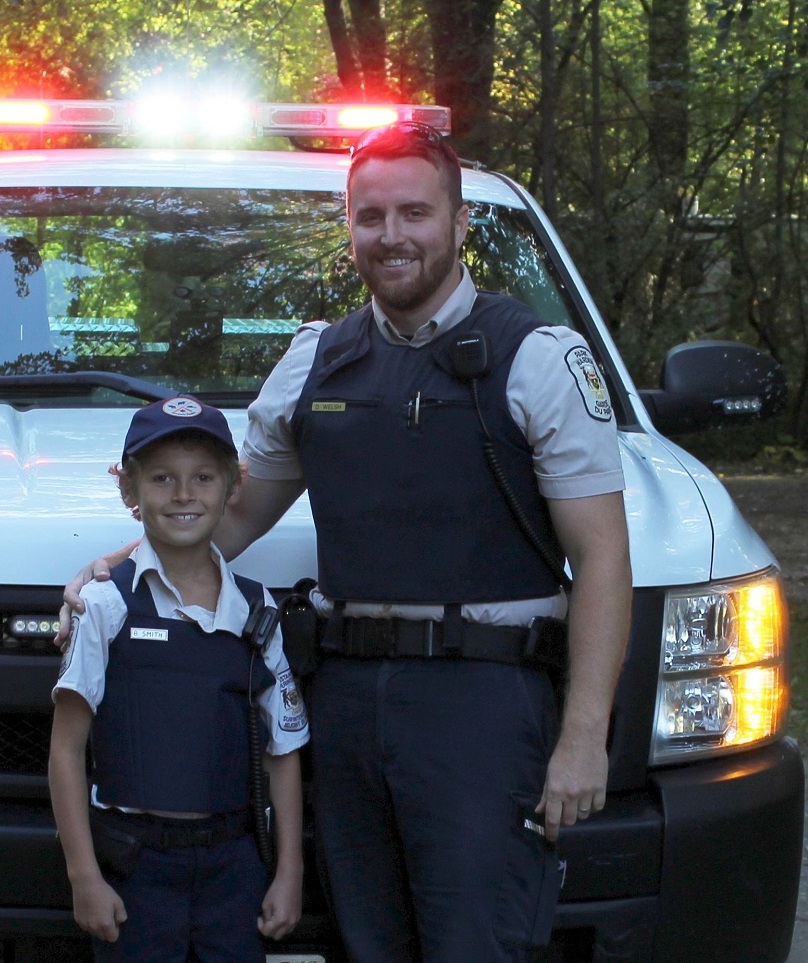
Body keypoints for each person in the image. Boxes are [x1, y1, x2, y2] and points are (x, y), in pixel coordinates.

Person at [60, 122, 632, 962]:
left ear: (460, 222)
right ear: (350, 227)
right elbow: (225, 518)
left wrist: (584, 735)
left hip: (483, 706)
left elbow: (605, 559)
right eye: (370, 217)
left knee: (475, 943)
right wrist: (113, 567)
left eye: (414, 213)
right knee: (369, 944)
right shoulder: (313, 364)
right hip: (348, 703)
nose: (391, 236)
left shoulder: (538, 359)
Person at [48, 395, 309, 963]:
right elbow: (66, 751)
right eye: (162, 478)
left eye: (203, 478)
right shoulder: (105, 606)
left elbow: (283, 752)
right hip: (134, 865)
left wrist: (289, 871)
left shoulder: (257, 611)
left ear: (233, 487)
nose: (184, 495)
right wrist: (83, 876)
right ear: (129, 492)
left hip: (235, 868)